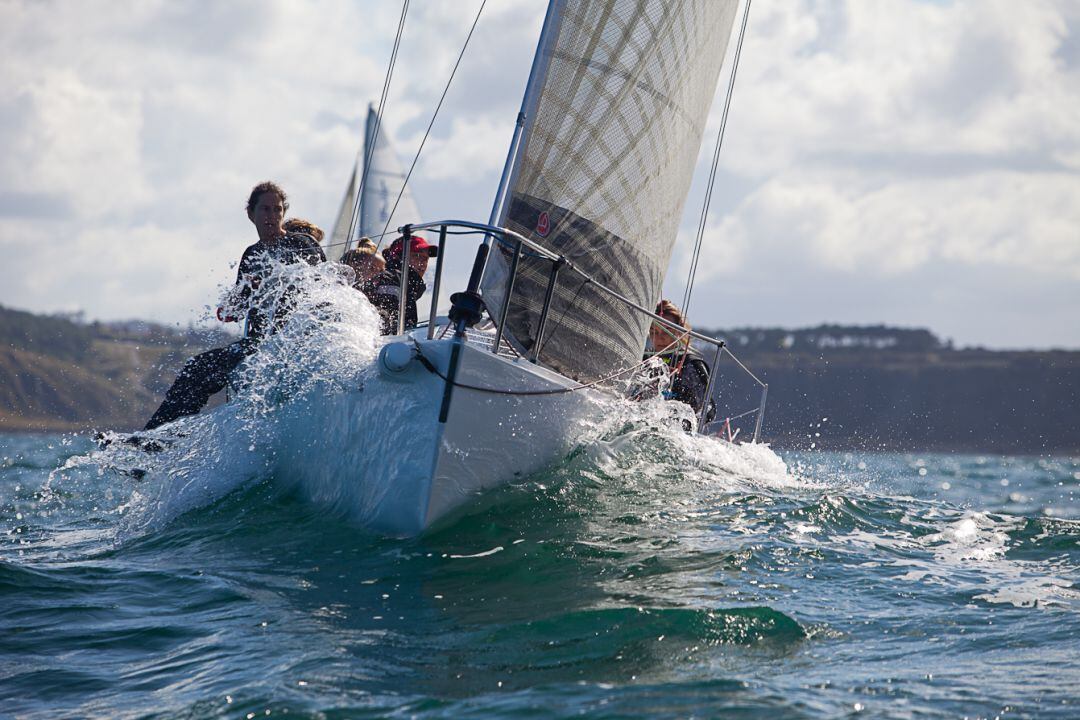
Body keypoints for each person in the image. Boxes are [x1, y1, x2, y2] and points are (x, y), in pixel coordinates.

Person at [144, 182, 326, 430]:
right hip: (258, 344)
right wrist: (244, 293)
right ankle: (155, 436)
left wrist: (279, 282)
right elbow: (235, 312)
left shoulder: (301, 243)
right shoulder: (252, 254)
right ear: (251, 214)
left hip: (293, 338)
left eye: (278, 210)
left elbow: (323, 286)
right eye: (265, 209)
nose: (272, 216)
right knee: (196, 368)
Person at [646, 299, 716, 423]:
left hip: (678, 431)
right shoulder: (642, 360)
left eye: (667, 331)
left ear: (679, 331)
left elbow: (709, 409)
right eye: (654, 331)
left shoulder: (692, 364)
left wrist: (687, 423)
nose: (660, 338)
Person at [367, 234, 437, 335]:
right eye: (416, 256)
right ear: (399, 257)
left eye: (425, 258)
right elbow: (388, 326)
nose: (422, 262)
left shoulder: (405, 283)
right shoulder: (392, 279)